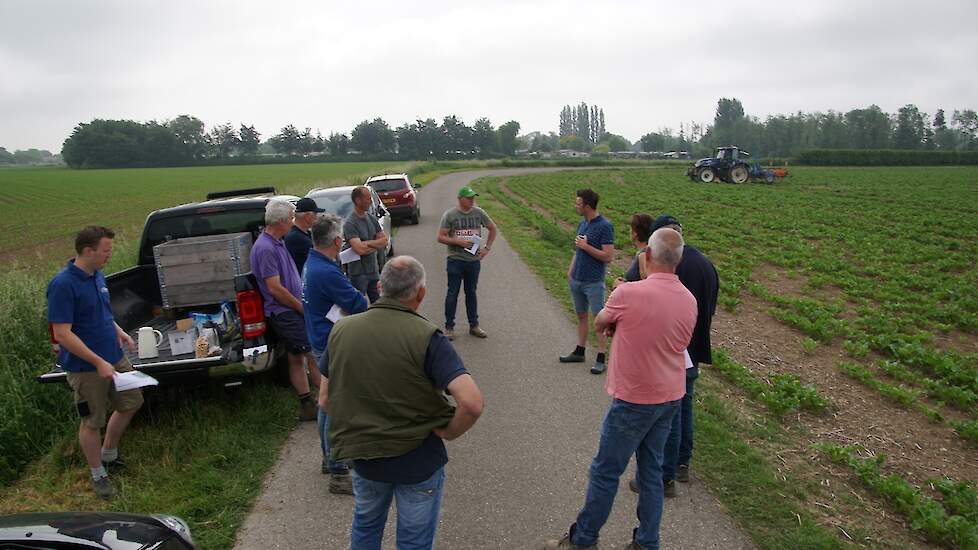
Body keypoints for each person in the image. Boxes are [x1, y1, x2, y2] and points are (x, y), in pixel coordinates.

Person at [544, 228, 697, 550]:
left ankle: (584, 539)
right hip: (670, 395)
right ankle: (647, 541)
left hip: (634, 398)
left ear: (649, 256)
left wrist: (618, 313)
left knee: (605, 471)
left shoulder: (629, 294)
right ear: (678, 259)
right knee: (651, 472)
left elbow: (601, 322)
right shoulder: (688, 299)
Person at [324, 256, 484, 550]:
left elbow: (325, 400)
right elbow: (472, 403)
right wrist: (449, 432)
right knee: (413, 540)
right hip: (417, 460)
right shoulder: (428, 337)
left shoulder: (341, 331)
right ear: (420, 293)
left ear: (379, 286)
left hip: (365, 458)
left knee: (366, 525)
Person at [46, 226, 145, 499]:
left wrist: (118, 331)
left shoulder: (96, 274)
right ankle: (98, 474)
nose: (109, 256)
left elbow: (101, 312)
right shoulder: (63, 285)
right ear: (88, 251)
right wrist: (98, 361)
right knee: (92, 421)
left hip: (114, 356)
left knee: (132, 401)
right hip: (86, 367)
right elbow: (62, 333)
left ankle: (109, 453)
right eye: (106, 251)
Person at [629, 215, 719, 496]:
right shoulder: (706, 264)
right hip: (694, 349)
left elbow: (637, 292)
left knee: (665, 416)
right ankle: (682, 464)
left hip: (668, 354)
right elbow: (710, 308)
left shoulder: (660, 264)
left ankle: (662, 476)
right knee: (685, 410)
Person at [302, 213, 369, 491]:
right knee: (333, 404)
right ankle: (338, 470)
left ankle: (329, 458)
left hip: (320, 338)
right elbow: (358, 303)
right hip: (333, 342)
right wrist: (361, 296)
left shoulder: (312, 263)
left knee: (326, 401)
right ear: (338, 241)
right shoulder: (327, 271)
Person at [250, 198, 320, 421]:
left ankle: (309, 404)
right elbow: (275, 289)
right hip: (284, 312)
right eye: (290, 218)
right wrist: (300, 307)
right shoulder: (265, 248)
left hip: (290, 309)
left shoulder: (278, 242)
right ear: (280, 221)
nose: (292, 222)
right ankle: (327, 400)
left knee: (296, 357)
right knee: (312, 354)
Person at [559, 188, 615, 374]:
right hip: (577, 279)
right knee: (581, 315)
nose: (575, 206)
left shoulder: (605, 226)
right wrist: (571, 269)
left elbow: (608, 256)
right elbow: (578, 250)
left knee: (599, 319)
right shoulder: (582, 223)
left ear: (588, 206)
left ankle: (601, 357)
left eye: (578, 204)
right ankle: (580, 350)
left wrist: (586, 246)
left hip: (593, 281)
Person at [436, 185, 497, 340]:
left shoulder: (479, 213)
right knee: (452, 294)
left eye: (473, 198)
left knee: (471, 293)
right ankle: (449, 328)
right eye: (468, 198)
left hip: (473, 262)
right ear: (460, 199)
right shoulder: (450, 215)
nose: (471, 200)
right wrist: (458, 242)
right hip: (455, 260)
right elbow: (440, 237)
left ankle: (474, 326)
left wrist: (486, 248)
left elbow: (492, 228)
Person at [343, 186, 389, 303]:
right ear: (358, 201)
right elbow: (359, 250)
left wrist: (366, 244)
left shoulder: (371, 219)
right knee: (358, 306)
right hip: (358, 274)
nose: (371, 201)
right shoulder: (350, 223)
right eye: (368, 199)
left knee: (378, 304)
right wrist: (375, 245)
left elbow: (384, 240)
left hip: (374, 271)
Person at [284, 197, 325, 273]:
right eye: (315, 213)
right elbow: (321, 256)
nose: (317, 217)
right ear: (307, 216)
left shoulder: (305, 233)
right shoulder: (296, 238)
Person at [614, 214, 654, 288]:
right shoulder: (646, 252)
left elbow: (647, 286)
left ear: (635, 233)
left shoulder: (643, 255)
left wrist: (622, 286)